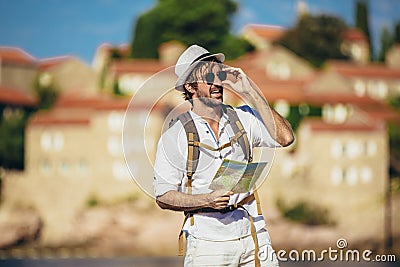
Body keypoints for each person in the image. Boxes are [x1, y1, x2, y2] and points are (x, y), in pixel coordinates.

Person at [153, 44, 294, 267]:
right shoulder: (176, 135)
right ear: (190, 87)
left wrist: (250, 92)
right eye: (208, 76)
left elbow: (286, 138)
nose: (216, 82)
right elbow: (163, 196)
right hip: (207, 243)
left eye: (218, 74)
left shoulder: (244, 118)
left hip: (253, 231)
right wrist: (206, 199)